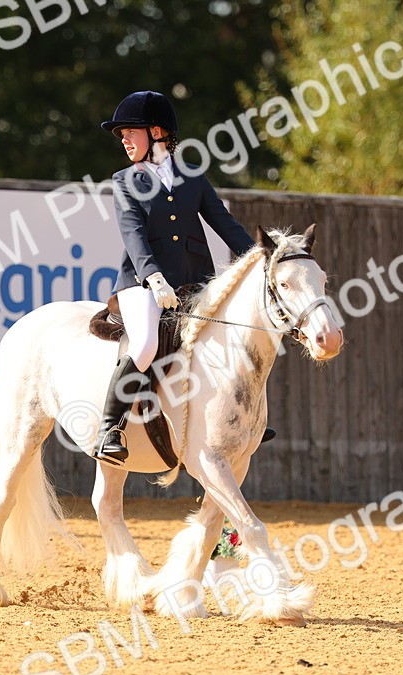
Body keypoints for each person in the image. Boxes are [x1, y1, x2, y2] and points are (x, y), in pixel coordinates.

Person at [92, 90, 269, 465]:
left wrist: (261, 257)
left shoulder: (193, 178)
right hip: (142, 285)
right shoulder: (124, 180)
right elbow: (133, 234)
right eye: (121, 134)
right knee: (143, 346)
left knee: (233, 337)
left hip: (196, 284)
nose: (124, 140)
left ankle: (242, 416)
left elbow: (225, 225)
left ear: (156, 132)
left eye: (131, 132)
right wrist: (154, 277)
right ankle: (111, 427)